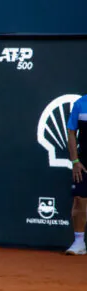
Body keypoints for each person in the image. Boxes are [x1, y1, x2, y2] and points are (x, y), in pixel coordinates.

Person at [66, 94, 87, 255]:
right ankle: (79, 242)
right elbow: (71, 132)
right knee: (79, 199)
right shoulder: (80, 104)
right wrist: (75, 161)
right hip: (84, 161)